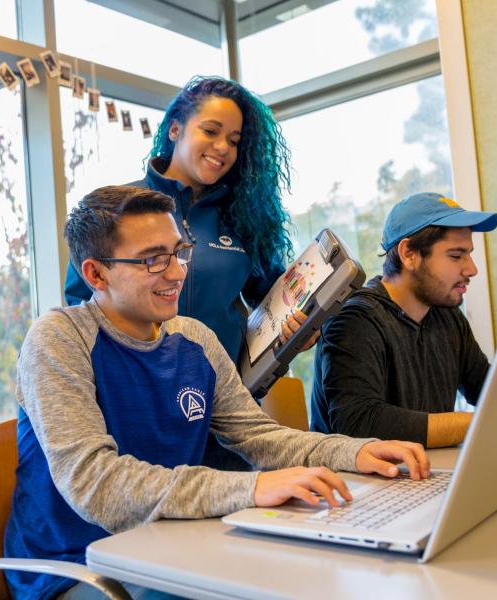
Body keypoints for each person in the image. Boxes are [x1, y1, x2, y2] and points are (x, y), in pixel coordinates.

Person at [4, 185, 429, 599]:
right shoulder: (59, 339)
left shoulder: (193, 338)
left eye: (179, 252)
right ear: (96, 273)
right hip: (76, 569)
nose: (176, 272)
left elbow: (259, 436)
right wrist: (251, 489)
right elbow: (98, 485)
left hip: (167, 544)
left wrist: (354, 452)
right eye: (153, 260)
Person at [64, 76, 314, 469]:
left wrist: (297, 328)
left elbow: (274, 302)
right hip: (140, 405)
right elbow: (81, 303)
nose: (223, 149)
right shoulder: (119, 209)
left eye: (234, 140)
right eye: (211, 131)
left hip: (223, 408)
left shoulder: (245, 219)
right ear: (176, 128)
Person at [310, 192, 497, 447]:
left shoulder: (446, 315)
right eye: (456, 256)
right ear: (409, 254)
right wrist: (489, 423)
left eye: (468, 254)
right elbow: (359, 422)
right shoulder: (355, 320)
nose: (471, 269)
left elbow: (487, 389)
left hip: (424, 476)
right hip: (358, 495)